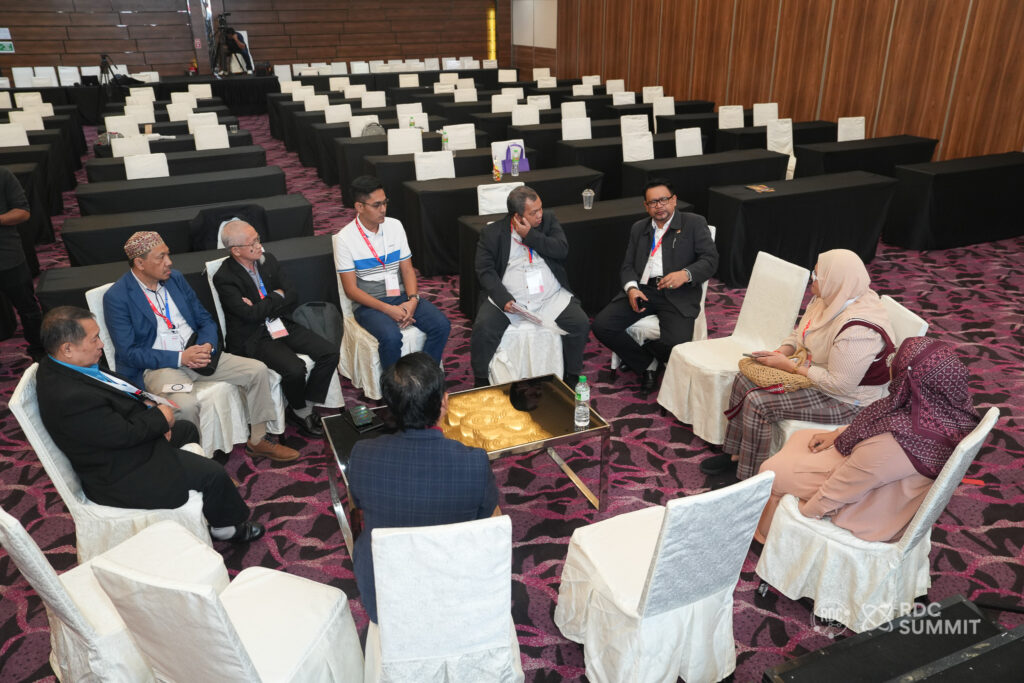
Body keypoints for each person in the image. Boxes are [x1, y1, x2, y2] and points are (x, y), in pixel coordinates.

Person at [35, 307, 264, 543]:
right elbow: (121, 435)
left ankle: (199, 491)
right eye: (94, 339)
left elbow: (110, 403)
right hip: (118, 471)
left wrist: (148, 406)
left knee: (186, 429)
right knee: (214, 475)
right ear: (68, 348)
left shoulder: (63, 365)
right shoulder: (69, 396)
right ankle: (226, 529)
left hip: (117, 445)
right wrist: (159, 420)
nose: (101, 344)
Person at [756, 337, 981, 543]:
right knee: (802, 437)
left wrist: (801, 519)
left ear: (909, 380)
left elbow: (840, 490)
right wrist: (838, 434)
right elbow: (880, 430)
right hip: (879, 477)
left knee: (772, 472)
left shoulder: (896, 441)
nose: (890, 364)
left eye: (895, 362)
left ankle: (768, 536)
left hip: (872, 506)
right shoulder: (946, 411)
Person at [103, 231, 299, 462]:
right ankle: (198, 464)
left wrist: (207, 345)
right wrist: (180, 358)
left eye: (168, 254)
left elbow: (205, 319)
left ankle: (258, 440)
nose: (169, 262)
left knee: (257, 370)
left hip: (199, 352)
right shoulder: (117, 297)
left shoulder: (175, 279)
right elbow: (128, 352)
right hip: (161, 366)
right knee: (184, 406)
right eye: (161, 257)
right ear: (139, 263)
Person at [706, 249, 895, 479]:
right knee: (743, 378)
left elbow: (840, 385)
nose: (812, 279)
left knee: (759, 402)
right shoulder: (831, 297)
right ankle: (734, 454)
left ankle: (750, 477)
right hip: (817, 374)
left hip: (849, 400)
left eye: (817, 275)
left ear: (834, 280)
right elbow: (801, 333)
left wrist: (790, 367)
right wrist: (780, 352)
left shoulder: (858, 330)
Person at [347, 352, 500, 623]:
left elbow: (359, 505)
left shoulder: (362, 455)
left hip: (385, 597)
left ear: (390, 407)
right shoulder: (474, 462)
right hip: (456, 592)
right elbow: (487, 520)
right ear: (444, 402)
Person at [213, 220, 339, 438]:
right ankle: (300, 412)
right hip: (253, 335)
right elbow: (249, 316)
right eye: (253, 243)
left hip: (279, 322)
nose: (259, 245)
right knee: (295, 369)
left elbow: (292, 294)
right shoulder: (225, 277)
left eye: (258, 239)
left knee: (329, 352)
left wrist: (262, 304)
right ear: (236, 250)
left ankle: (305, 403)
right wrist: (275, 295)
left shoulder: (268, 260)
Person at [592, 178, 718, 392]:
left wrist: (685, 274)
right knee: (601, 326)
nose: (659, 206)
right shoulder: (639, 228)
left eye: (663, 200)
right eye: (653, 202)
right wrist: (631, 289)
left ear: (674, 200)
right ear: (646, 206)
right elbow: (627, 266)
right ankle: (646, 364)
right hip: (644, 290)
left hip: (678, 292)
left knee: (676, 344)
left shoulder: (694, 223)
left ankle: (650, 350)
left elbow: (710, 260)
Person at [471, 186, 590, 387]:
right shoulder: (492, 233)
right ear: (518, 216)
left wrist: (530, 236)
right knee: (483, 328)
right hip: (511, 300)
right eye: (534, 212)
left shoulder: (548, 221)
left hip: (549, 298)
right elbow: (484, 270)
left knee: (580, 323)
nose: (540, 214)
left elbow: (561, 250)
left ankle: (571, 377)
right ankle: (481, 381)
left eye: (540, 208)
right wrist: (503, 299)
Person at [333, 175, 450, 372]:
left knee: (441, 325)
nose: (383, 209)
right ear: (359, 207)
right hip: (369, 304)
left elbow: (407, 269)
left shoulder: (395, 226)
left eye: (385, 202)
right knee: (391, 337)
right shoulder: (344, 239)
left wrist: (412, 300)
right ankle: (394, 385)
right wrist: (388, 309)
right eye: (376, 205)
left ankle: (424, 377)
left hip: (400, 295)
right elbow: (351, 290)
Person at [0, 165, 44, 361]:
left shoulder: (3, 175)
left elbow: (23, 212)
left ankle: (40, 352)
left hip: (7, 256)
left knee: (28, 309)